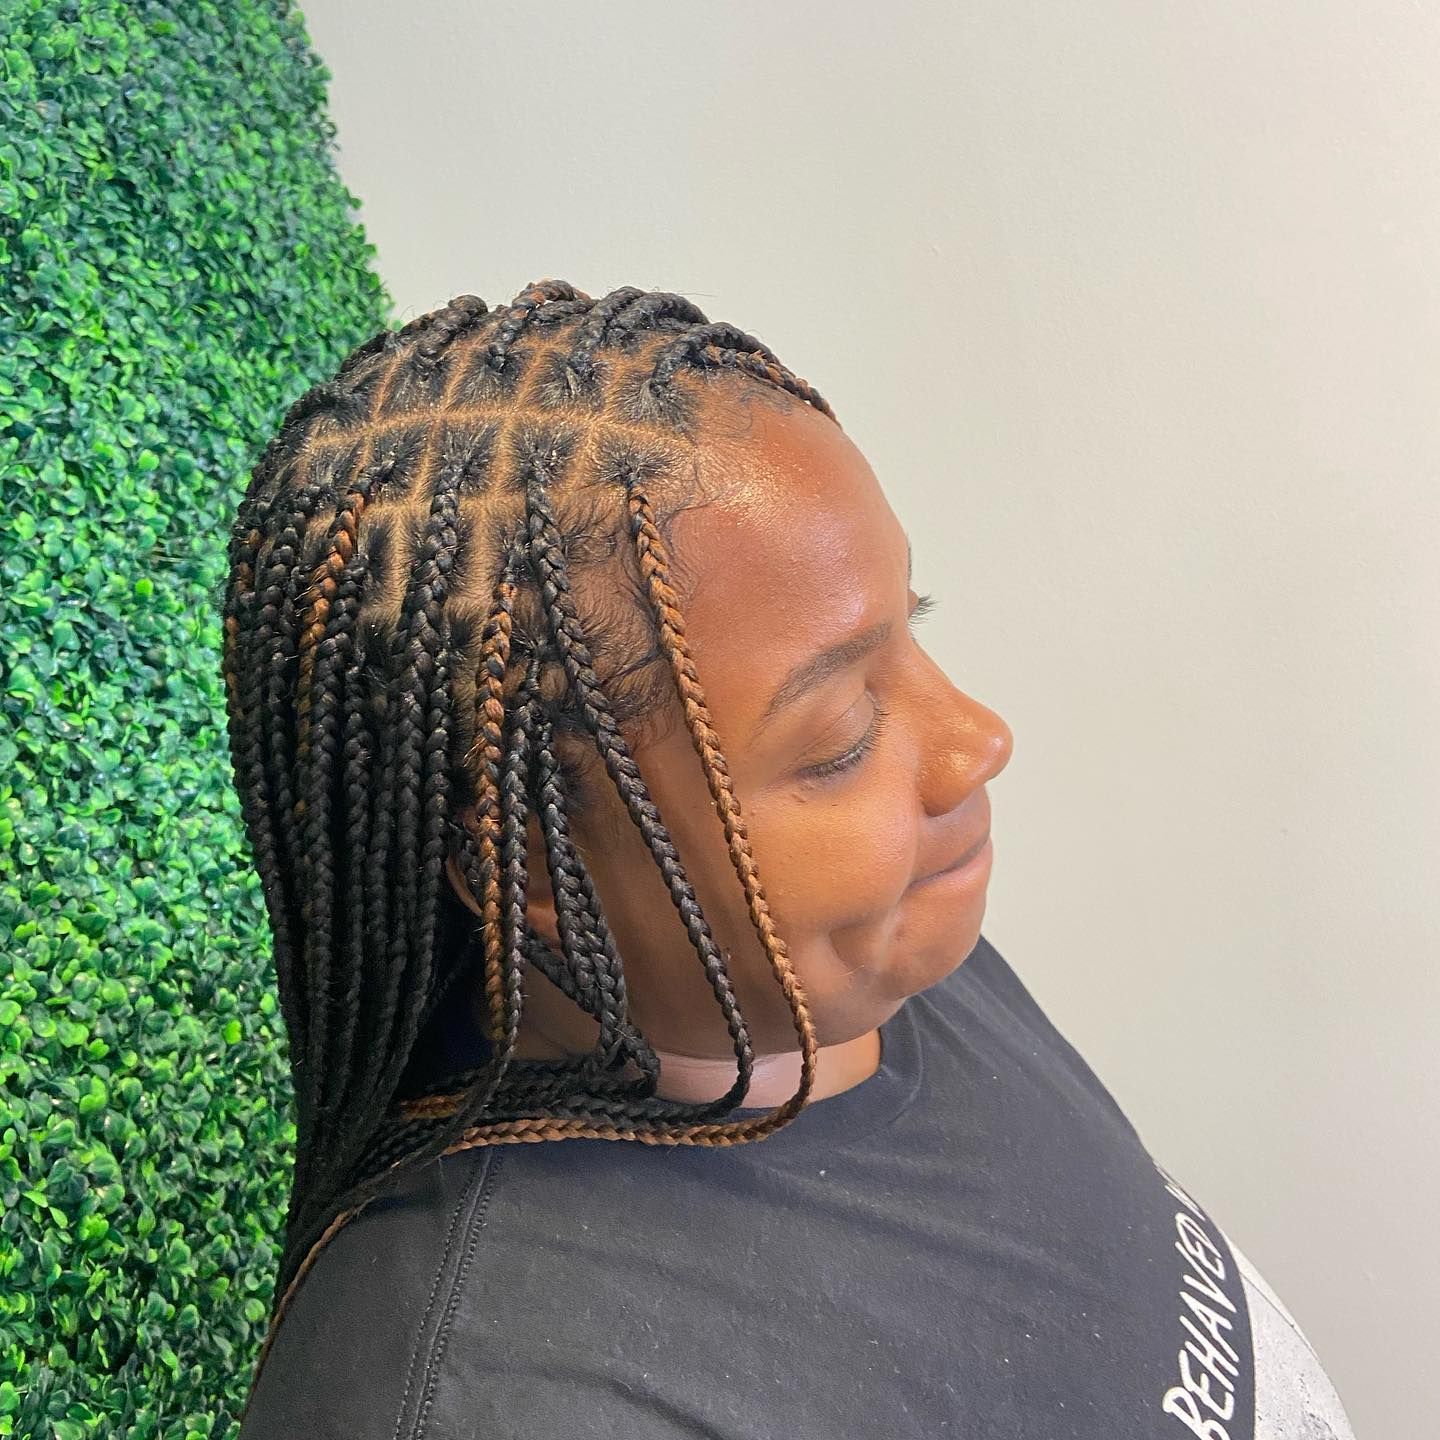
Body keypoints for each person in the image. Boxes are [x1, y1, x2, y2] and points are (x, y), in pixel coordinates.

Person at [225, 281, 1355, 1438]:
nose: (978, 741)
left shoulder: (857, 966)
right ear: (534, 870)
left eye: (916, 626)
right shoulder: (505, 1403)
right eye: (841, 739)